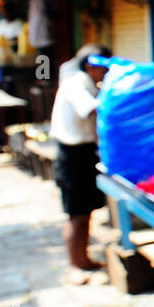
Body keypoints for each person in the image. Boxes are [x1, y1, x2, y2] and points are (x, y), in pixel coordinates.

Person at [50, 44, 110, 271]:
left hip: (86, 155)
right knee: (77, 215)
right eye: (103, 67)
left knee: (85, 214)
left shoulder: (90, 86)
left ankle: (83, 260)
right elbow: (95, 109)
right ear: (90, 66)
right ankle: (76, 265)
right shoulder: (74, 86)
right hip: (72, 158)